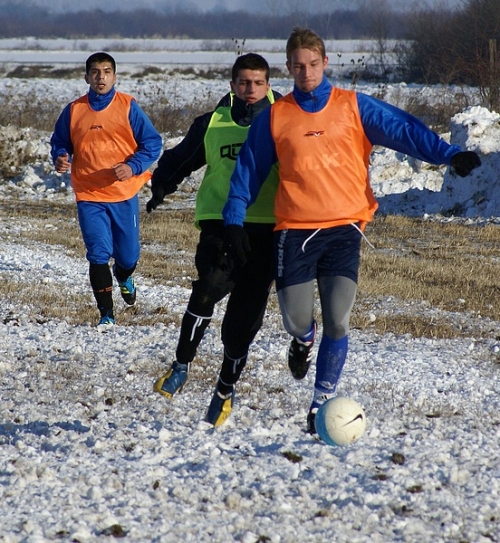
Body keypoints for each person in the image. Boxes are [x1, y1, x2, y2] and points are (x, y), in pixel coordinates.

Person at [222, 27, 481, 434]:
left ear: (325, 63)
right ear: (288, 68)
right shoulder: (275, 116)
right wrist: (233, 221)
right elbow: (248, 173)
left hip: (344, 229)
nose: (305, 72)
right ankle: (303, 341)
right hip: (295, 232)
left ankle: (320, 401)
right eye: (297, 66)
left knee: (339, 321)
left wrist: (448, 154)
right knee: (297, 320)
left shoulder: (352, 107)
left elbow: (402, 129)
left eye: (312, 64)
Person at [148, 53, 282, 426]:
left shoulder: (285, 120)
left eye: (257, 83)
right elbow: (180, 159)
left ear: (268, 85)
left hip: (267, 231)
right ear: (232, 85)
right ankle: (181, 363)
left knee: (240, 325)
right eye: (243, 82)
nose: (250, 89)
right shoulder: (212, 123)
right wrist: (163, 184)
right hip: (219, 225)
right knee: (205, 289)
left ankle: (225, 386)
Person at [50, 52, 162, 329]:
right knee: (98, 253)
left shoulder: (127, 106)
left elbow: (152, 143)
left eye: (107, 71)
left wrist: (133, 166)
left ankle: (124, 276)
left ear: (115, 76)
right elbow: (60, 141)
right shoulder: (74, 109)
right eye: (96, 72)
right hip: (89, 194)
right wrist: (61, 156)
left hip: (123, 193)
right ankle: (106, 315)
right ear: (86, 77)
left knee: (128, 256)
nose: (101, 77)